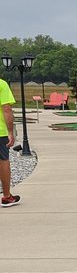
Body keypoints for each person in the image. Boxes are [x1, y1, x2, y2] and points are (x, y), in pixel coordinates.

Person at [0, 76, 20, 207]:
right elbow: (6, 108)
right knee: (3, 160)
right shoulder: (1, 84)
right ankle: (7, 196)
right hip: (0, 131)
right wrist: (11, 132)